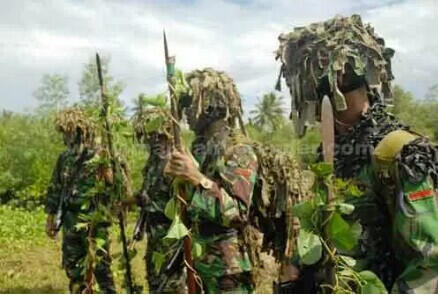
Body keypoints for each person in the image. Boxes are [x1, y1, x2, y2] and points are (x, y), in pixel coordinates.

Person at [276, 14, 438, 293]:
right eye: (321, 87)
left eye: (347, 80)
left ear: (368, 81)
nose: (335, 96)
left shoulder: (400, 154)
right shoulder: (327, 156)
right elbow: (322, 227)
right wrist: (298, 265)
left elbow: (428, 267)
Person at [164, 68, 258, 293]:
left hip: (226, 270)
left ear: (210, 106)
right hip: (199, 263)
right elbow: (193, 206)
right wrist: (177, 180)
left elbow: (237, 212)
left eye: (191, 104)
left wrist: (196, 178)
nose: (186, 113)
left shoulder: (238, 150)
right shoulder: (200, 149)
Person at [45, 108, 129, 293]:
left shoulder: (101, 155)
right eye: (64, 133)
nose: (66, 138)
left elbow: (120, 189)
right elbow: (55, 188)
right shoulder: (64, 158)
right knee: (73, 268)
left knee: (100, 269)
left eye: (69, 132)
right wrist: (50, 218)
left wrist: (110, 175)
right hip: (70, 221)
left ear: (81, 132)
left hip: (94, 221)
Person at [131, 104, 186, 293]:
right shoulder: (152, 163)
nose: (153, 141)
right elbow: (148, 196)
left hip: (171, 235)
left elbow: (185, 206)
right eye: (150, 136)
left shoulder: (176, 162)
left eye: (158, 135)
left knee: (171, 284)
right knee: (155, 281)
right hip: (154, 232)